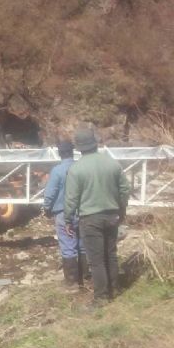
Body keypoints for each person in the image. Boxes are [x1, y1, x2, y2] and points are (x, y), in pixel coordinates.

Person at [64, 127, 130, 306]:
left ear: (78, 147)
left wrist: (68, 220)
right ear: (95, 143)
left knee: (96, 260)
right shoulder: (112, 163)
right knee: (111, 254)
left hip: (90, 219)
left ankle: (101, 297)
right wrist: (121, 209)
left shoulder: (76, 169)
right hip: (112, 215)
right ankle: (114, 288)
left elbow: (71, 199)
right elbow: (125, 189)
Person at [43, 140, 85, 288]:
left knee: (68, 246)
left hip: (63, 212)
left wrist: (46, 209)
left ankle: (72, 282)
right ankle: (85, 277)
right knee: (82, 245)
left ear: (60, 153)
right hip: (84, 211)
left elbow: (50, 193)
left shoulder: (57, 171)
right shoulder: (81, 167)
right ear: (73, 152)